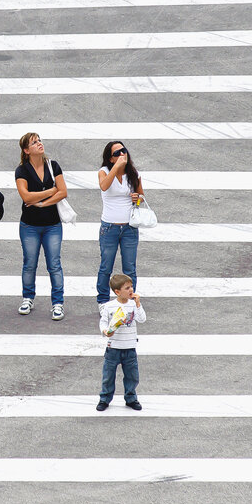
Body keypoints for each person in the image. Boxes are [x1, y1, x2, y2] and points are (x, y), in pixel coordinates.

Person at [14, 133, 67, 320]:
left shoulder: (53, 166)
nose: (39, 144)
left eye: (39, 140)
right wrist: (51, 190)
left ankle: (58, 303)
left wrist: (43, 202)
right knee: (29, 264)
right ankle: (28, 298)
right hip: (29, 226)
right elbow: (26, 197)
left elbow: (63, 192)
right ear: (27, 150)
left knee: (54, 264)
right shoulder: (22, 170)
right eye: (34, 142)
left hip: (52, 225)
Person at [95, 140, 145, 304]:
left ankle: (129, 301)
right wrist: (117, 167)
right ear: (110, 159)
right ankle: (103, 301)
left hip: (129, 228)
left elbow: (141, 197)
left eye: (123, 150)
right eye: (117, 153)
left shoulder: (133, 174)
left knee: (129, 267)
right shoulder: (104, 171)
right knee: (106, 267)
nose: (122, 154)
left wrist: (137, 199)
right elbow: (104, 186)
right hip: (109, 227)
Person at [96, 274, 146, 411]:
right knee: (108, 375)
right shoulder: (109, 306)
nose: (131, 290)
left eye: (131, 287)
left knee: (132, 376)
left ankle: (131, 398)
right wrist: (105, 331)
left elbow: (142, 319)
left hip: (130, 347)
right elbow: (103, 322)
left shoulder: (133, 305)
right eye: (127, 288)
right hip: (113, 347)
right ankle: (105, 398)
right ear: (117, 292)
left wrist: (138, 304)